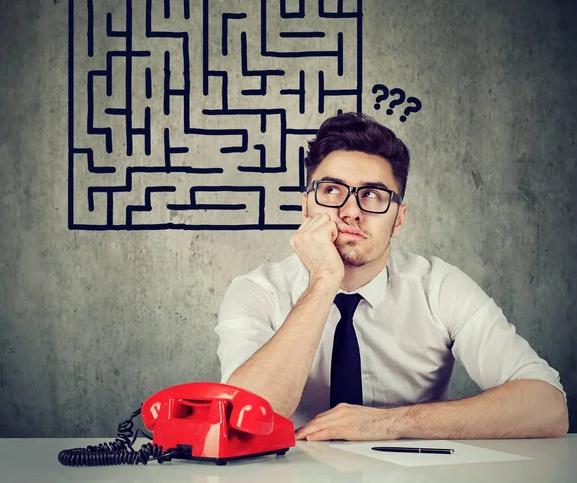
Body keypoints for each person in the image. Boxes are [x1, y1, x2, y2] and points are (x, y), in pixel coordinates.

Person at [214, 112, 568, 441]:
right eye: (332, 190)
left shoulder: (440, 288)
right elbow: (240, 418)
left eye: (372, 195)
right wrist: (324, 281)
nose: (350, 211)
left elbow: (548, 407)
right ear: (306, 205)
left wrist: (388, 422)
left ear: (398, 219)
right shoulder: (256, 291)